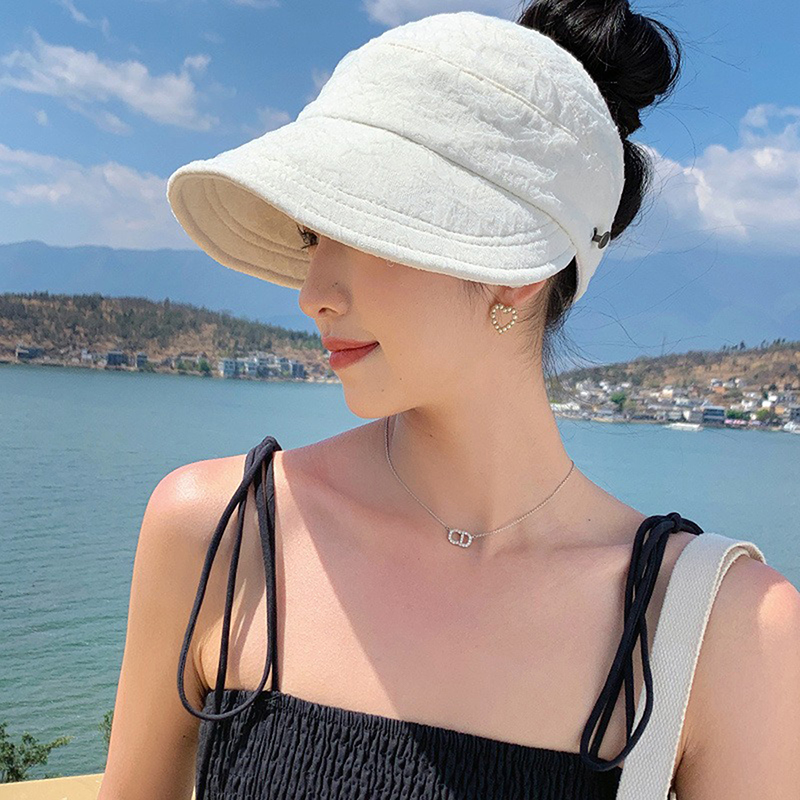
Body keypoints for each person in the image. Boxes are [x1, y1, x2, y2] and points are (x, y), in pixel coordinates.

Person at [98, 2, 800, 799]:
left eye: (361, 229)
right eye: (312, 237)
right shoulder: (218, 532)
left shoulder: (725, 631)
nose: (311, 293)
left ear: (516, 266)